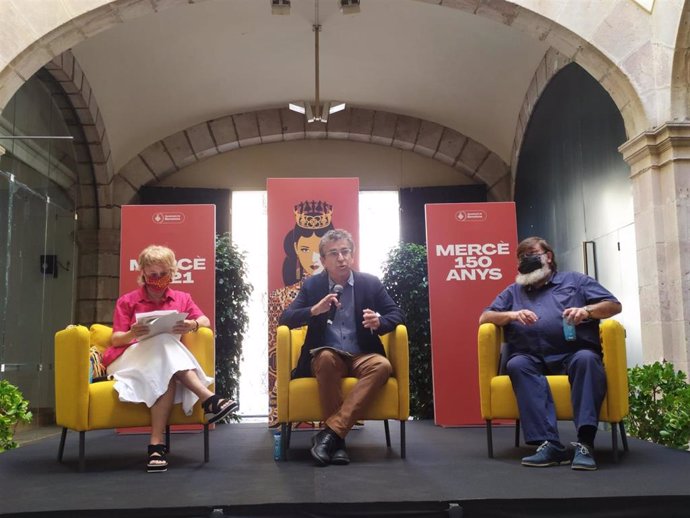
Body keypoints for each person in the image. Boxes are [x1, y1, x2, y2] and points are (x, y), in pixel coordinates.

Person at [479, 236, 622, 471]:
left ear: (548, 256)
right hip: (531, 356)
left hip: (573, 353)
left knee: (587, 360)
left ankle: (585, 443)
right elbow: (485, 317)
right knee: (516, 365)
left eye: (533, 253)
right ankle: (550, 444)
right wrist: (512, 315)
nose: (528, 259)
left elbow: (614, 305)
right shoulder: (513, 292)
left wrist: (586, 310)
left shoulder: (575, 280)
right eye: (523, 256)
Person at [103, 245, 237, 473]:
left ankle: (156, 446)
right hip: (129, 359)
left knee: (165, 366)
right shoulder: (128, 301)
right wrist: (132, 333)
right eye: (152, 274)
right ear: (143, 273)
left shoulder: (182, 298)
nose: (157, 279)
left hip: (162, 363)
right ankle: (208, 397)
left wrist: (192, 324)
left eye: (163, 274)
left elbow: (204, 320)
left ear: (172, 272)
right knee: (164, 342)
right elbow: (115, 339)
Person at [279, 229, 404, 466]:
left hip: (362, 354)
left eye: (346, 252)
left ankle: (331, 436)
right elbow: (285, 318)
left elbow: (397, 313)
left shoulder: (370, 283)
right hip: (328, 353)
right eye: (334, 253)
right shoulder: (313, 286)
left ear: (353, 256)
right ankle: (338, 441)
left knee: (382, 365)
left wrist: (380, 322)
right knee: (326, 358)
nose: (341, 258)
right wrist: (315, 310)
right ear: (323, 260)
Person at [267, 200, 335, 427]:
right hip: (306, 355)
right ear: (295, 249)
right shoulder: (280, 296)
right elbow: (279, 336)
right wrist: (314, 310)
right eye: (305, 249)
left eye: (319, 251)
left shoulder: (352, 285)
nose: (313, 258)